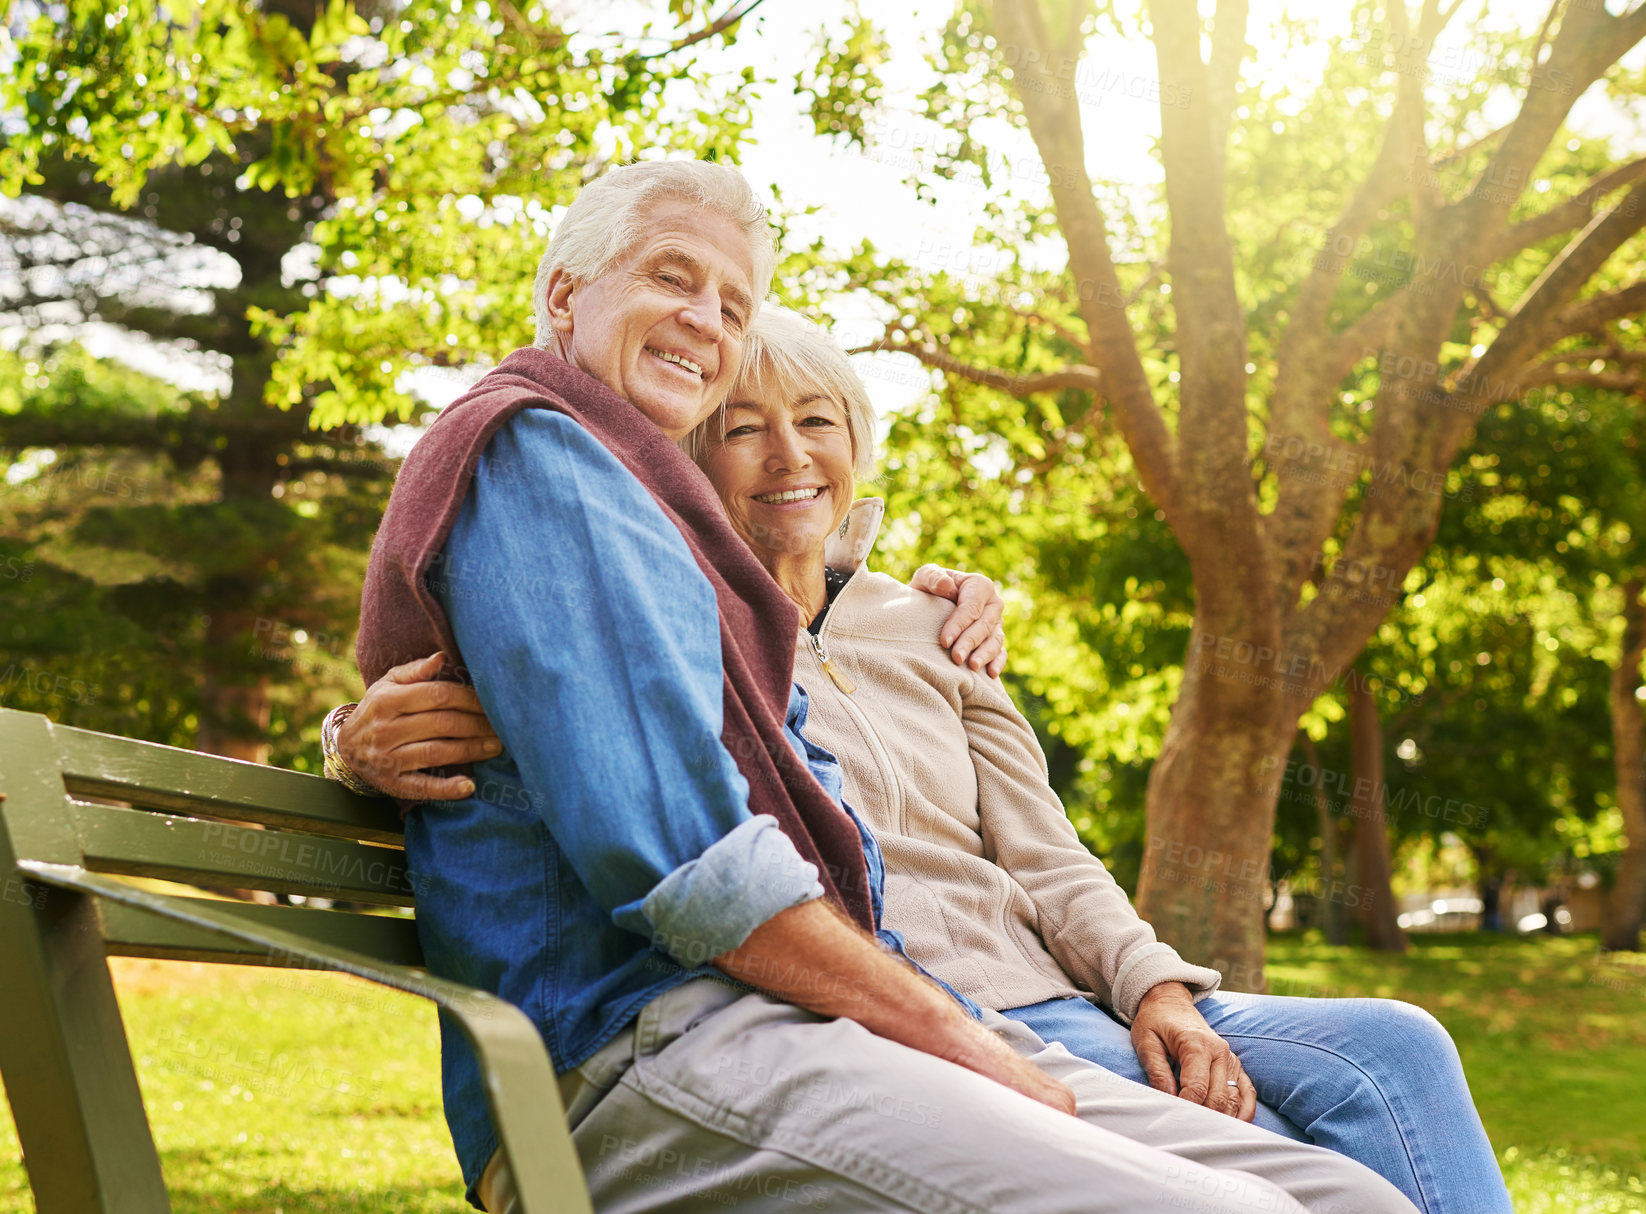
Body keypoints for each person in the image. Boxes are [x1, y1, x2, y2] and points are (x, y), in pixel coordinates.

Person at [342, 158, 1420, 1214]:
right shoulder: (542, 453)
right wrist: (960, 1040)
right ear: (566, 295)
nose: (706, 322)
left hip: (814, 1013)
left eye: (732, 302)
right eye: (672, 276)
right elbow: (690, 870)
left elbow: (1023, 847)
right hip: (641, 1041)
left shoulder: (696, 547)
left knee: (1341, 1193)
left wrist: (1088, 999)